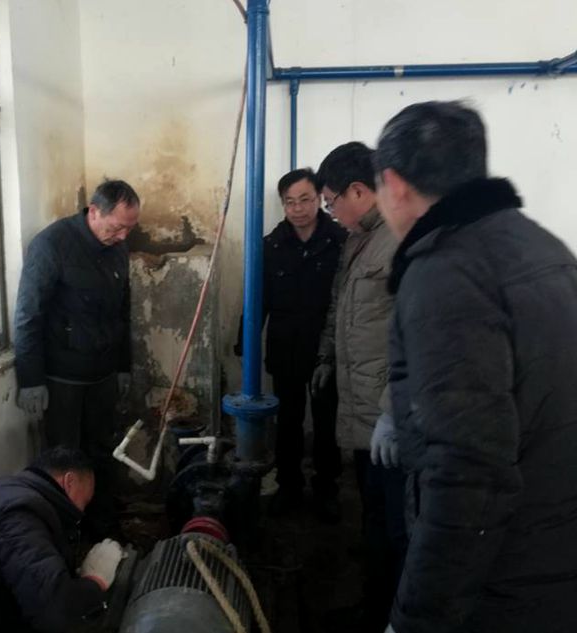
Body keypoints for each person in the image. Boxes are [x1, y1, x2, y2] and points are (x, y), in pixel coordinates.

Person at [374, 100, 577, 633]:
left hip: (503, 582)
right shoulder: (544, 248)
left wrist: (416, 617)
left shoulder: (446, 272)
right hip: (556, 550)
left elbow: (466, 474)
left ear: (394, 185)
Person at [13, 180, 139, 539]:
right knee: (64, 462)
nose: (123, 236)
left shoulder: (116, 248)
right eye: (117, 227)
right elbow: (28, 314)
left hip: (102, 375)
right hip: (63, 379)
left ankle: (103, 528)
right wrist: (31, 378)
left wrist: (123, 365)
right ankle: (63, 536)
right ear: (94, 212)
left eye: (129, 229)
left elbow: (122, 312)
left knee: (103, 452)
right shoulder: (52, 245)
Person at [314, 142, 406, 633]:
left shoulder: (399, 241)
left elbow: (419, 336)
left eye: (330, 202)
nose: (331, 213)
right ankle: (373, 604)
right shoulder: (359, 241)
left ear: (357, 191)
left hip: (390, 418)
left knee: (397, 526)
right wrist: (328, 357)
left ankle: (391, 616)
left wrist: (393, 410)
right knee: (373, 518)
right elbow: (343, 308)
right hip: (364, 410)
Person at [235, 168, 346, 518]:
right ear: (283, 204)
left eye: (305, 200)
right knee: (288, 420)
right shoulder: (271, 246)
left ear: (319, 199)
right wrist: (245, 342)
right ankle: (289, 486)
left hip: (327, 349)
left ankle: (326, 488)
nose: (298, 209)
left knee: (328, 421)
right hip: (285, 346)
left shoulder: (340, 241)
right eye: (290, 202)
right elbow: (258, 299)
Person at [0, 447, 124, 633]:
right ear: (69, 482)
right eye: (84, 502)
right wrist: (95, 581)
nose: (81, 512)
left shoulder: (6, 489)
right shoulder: (20, 516)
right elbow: (55, 614)